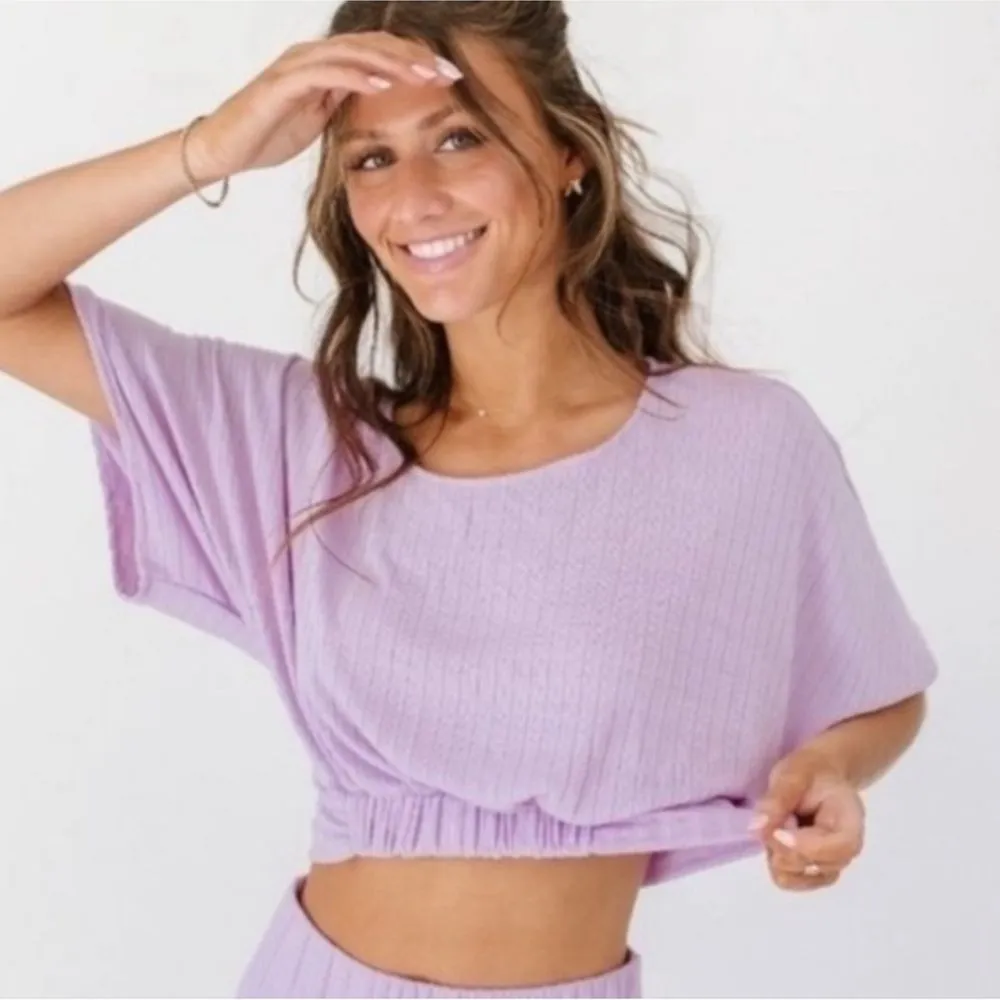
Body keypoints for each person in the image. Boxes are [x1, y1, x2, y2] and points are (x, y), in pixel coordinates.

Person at [0, 2, 938, 997]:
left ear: (569, 152)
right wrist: (213, 147)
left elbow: (876, 684)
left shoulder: (740, 441)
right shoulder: (302, 444)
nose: (414, 197)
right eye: (371, 158)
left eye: (459, 137)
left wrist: (830, 766)